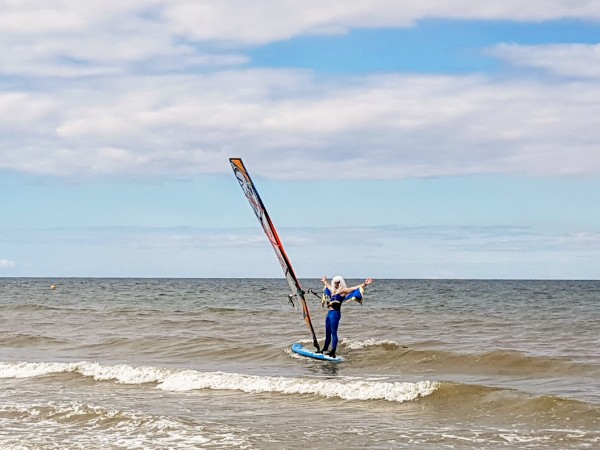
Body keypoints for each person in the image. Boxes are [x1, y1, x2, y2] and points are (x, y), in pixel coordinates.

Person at [318, 275, 374, 358]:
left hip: (335, 314)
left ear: (341, 283)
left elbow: (355, 288)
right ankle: (324, 349)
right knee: (327, 333)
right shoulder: (333, 291)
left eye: (338, 283)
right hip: (329, 314)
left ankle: (333, 351)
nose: (336, 284)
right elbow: (328, 286)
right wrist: (324, 281)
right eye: (335, 283)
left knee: (334, 333)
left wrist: (365, 284)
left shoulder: (344, 291)